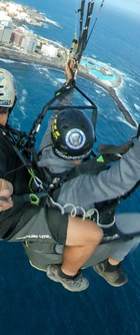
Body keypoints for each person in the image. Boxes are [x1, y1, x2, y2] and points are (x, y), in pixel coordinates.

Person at [0, 67, 103, 292]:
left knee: (54, 144)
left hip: (17, 191)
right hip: (9, 218)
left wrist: (68, 87)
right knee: (92, 234)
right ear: (13, 101)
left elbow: (56, 121)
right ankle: (66, 275)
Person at [33, 60, 140, 287]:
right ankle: (103, 266)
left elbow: (58, 114)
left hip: (46, 224)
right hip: (58, 249)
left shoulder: (47, 149)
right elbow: (123, 179)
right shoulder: (81, 188)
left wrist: (69, 83)